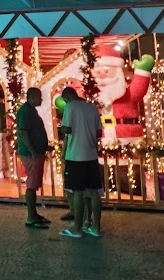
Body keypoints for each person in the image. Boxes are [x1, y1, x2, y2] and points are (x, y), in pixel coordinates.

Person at [59, 87, 103, 239]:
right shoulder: (92, 108)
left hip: (75, 156)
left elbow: (66, 129)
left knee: (77, 192)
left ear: (68, 96)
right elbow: (98, 133)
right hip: (91, 155)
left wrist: (63, 126)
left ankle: (77, 228)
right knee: (94, 192)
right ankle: (95, 227)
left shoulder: (70, 107)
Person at [17, 87, 51, 228]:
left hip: (35, 152)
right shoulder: (26, 112)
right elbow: (24, 132)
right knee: (31, 184)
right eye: (39, 97)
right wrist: (32, 150)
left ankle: (34, 214)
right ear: (31, 97)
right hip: (32, 153)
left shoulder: (30, 111)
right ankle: (31, 217)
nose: (41, 99)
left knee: (34, 182)